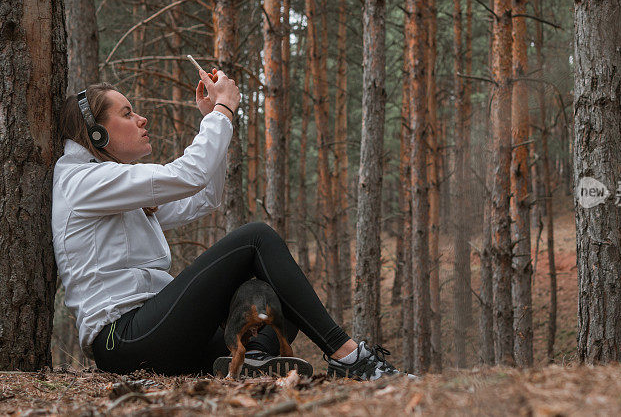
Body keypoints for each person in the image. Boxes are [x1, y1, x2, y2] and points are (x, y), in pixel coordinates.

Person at [52, 68, 408, 381]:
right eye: (127, 113)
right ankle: (349, 356)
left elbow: (204, 198)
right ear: (95, 133)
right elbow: (189, 175)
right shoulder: (82, 181)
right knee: (256, 238)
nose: (141, 119)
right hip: (122, 338)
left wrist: (212, 116)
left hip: (160, 336)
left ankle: (253, 360)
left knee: (280, 293)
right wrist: (222, 112)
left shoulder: (111, 189)